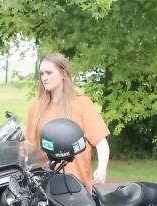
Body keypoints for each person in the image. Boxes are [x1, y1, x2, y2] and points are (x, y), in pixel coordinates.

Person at [25, 53, 110, 192]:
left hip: (76, 186)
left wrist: (102, 168)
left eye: (49, 73)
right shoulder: (36, 106)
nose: (44, 78)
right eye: (41, 74)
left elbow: (101, 142)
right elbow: (30, 145)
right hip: (44, 186)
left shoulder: (82, 104)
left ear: (63, 73)